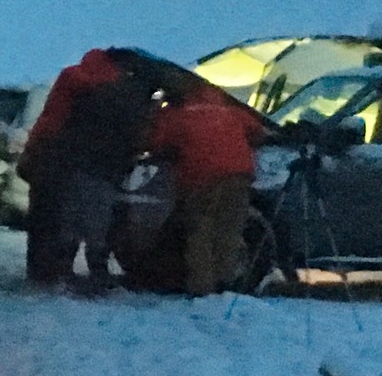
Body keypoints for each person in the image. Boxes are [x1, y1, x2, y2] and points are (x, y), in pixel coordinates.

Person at [18, 50, 158, 289]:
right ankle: (96, 272)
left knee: (53, 217)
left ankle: (46, 272)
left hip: (61, 157)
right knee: (96, 220)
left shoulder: (73, 78)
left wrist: (37, 148)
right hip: (102, 167)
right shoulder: (124, 92)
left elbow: (54, 118)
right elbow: (135, 136)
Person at [148, 85, 264, 296]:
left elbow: (155, 143)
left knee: (199, 233)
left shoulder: (176, 114)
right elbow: (258, 131)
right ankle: (225, 283)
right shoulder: (230, 110)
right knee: (229, 231)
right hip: (239, 175)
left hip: (201, 177)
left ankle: (202, 288)